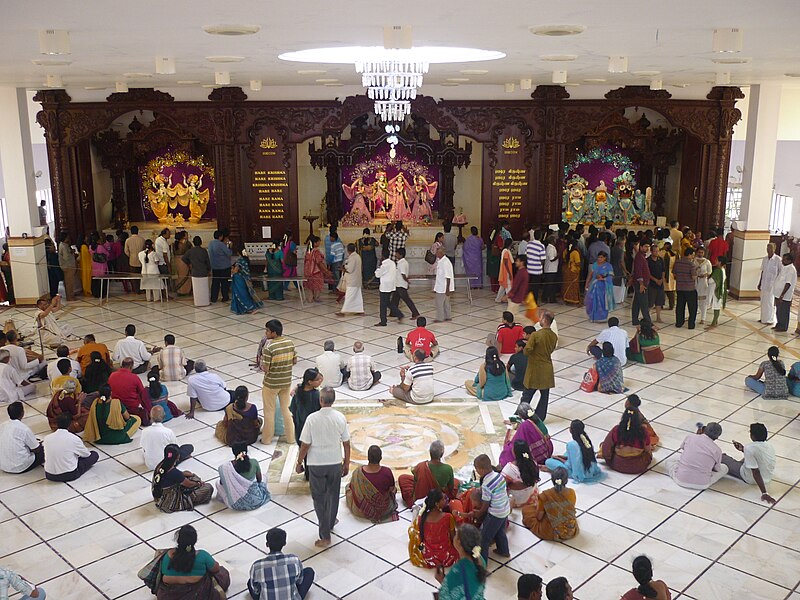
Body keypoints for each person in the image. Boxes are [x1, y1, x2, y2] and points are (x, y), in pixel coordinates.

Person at [295, 387, 351, 547]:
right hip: (334, 463)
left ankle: (325, 535)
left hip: (316, 464)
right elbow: (346, 443)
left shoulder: (312, 419)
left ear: (321, 400)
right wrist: (346, 462)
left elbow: (305, 444)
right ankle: (331, 521)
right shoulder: (340, 417)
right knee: (333, 495)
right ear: (333, 400)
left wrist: (299, 462)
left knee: (319, 499)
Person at [156, 525, 229, 599]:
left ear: (178, 540)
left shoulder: (167, 556)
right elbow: (216, 569)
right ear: (194, 540)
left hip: (168, 597)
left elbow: (162, 573)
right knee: (223, 573)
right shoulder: (202, 555)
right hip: (198, 595)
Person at [248, 527, 315, 600]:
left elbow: (255, 590)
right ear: (284, 543)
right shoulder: (294, 560)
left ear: (267, 544)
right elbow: (299, 581)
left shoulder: (257, 566)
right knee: (309, 572)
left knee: (250, 582)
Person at [466, 453, 510, 561]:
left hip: (495, 513)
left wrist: (479, 513)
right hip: (505, 509)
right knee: (500, 532)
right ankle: (504, 551)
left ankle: (483, 565)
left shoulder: (486, 484)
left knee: (483, 539)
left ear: (481, 469)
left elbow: (485, 504)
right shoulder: (499, 476)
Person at [721, 422, 777, 504]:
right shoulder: (770, 446)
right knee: (747, 458)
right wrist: (743, 449)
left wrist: (764, 493)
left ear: (752, 436)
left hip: (750, 478)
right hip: (767, 477)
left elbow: (756, 472)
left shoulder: (749, 448)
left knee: (722, 457)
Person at [261, 319, 297, 443]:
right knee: (286, 410)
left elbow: (266, 368)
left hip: (271, 384)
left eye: (267, 331)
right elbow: (294, 361)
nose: (266, 333)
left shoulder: (269, 347)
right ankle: (291, 438)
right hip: (286, 382)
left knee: (269, 411)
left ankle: (267, 439)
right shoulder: (290, 342)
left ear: (274, 333)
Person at [521, 466, 578, 542]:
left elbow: (539, 517)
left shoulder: (545, 495)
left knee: (526, 510)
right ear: (566, 480)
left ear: (552, 480)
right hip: (571, 529)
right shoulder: (571, 492)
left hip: (552, 532)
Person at [152, 444, 214, 512]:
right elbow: (189, 484)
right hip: (168, 502)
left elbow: (177, 475)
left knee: (187, 473)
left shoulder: (161, 464)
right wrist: (198, 484)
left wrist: (187, 474)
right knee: (208, 487)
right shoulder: (174, 472)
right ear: (178, 456)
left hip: (158, 495)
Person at [346, 444, 398, 523]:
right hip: (383, 509)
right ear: (380, 458)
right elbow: (392, 489)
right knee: (394, 490)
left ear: (368, 458)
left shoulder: (358, 472)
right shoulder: (387, 472)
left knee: (348, 488)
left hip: (361, 511)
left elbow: (352, 488)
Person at [667, 422, 727, 490]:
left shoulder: (690, 437)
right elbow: (717, 469)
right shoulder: (717, 450)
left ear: (704, 429)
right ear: (717, 437)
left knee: (670, 461)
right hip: (702, 485)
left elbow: (682, 447)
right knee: (724, 468)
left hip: (680, 480)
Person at [434, 524, 487, 600]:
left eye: (455, 534)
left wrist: (442, 580)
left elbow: (445, 597)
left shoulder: (458, 570)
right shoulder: (480, 559)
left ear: (459, 542)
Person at [408, 489, 459, 569]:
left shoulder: (421, 518)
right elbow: (453, 537)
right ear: (436, 503)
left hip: (427, 555)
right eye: (443, 499)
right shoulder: (448, 517)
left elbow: (419, 535)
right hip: (445, 554)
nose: (446, 500)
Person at [398, 439, 458, 507]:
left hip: (420, 498)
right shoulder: (448, 468)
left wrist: (414, 495)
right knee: (456, 482)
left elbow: (415, 484)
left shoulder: (420, 466)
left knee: (402, 478)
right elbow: (451, 488)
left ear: (430, 452)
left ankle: (414, 502)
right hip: (437, 500)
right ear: (442, 453)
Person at [522, 310, 557, 421]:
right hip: (547, 368)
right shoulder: (553, 336)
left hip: (535, 369)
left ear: (544, 320)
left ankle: (520, 414)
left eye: (541, 318)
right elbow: (550, 349)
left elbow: (527, 351)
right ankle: (540, 417)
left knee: (527, 394)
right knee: (544, 395)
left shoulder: (536, 335)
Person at [43, 413, 99, 482]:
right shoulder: (73, 438)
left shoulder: (47, 438)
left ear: (57, 424)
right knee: (94, 455)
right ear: (70, 425)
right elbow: (86, 455)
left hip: (49, 475)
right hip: (69, 474)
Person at [545, 419, 604, 483]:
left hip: (578, 473)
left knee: (548, 461)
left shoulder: (571, 445)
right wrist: (562, 457)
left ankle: (552, 470)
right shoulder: (586, 440)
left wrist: (559, 459)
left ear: (571, 430)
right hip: (590, 470)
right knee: (566, 453)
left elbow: (570, 466)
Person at [216, 442, 270, 511]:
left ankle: (227, 497)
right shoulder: (254, 462)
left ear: (233, 452)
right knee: (264, 477)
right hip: (256, 500)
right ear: (246, 450)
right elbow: (259, 480)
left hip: (236, 504)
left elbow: (222, 483)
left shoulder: (227, 467)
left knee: (217, 483)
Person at [289, 368, 323, 477]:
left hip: (300, 427)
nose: (320, 381)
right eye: (317, 380)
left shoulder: (298, 392)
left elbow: (293, 409)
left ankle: (308, 474)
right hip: (313, 428)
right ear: (310, 381)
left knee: (305, 450)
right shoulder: (316, 395)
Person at [600, 405, 653, 474]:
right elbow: (647, 450)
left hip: (617, 464)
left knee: (602, 444)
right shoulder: (643, 431)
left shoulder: (616, 430)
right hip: (638, 466)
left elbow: (606, 450)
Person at [141, 405, 192, 470]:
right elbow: (176, 449)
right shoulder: (168, 432)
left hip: (149, 464)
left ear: (150, 416)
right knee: (189, 447)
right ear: (164, 416)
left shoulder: (144, 431)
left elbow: (144, 448)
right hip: (166, 465)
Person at [0, 401, 44, 474]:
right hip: (19, 466)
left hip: (3, 465)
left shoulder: (2, 425)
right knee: (42, 450)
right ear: (22, 413)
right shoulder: (24, 429)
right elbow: (36, 449)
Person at [108, 357, 152, 425]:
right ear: (131, 367)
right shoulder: (134, 377)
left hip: (116, 406)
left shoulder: (112, 375)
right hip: (131, 407)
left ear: (121, 365)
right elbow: (142, 393)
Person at [500, 440, 540, 508]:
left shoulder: (509, 469)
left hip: (518, 500)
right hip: (531, 495)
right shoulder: (533, 463)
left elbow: (501, 487)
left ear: (515, 452)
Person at [584, 251, 615, 322]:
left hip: (604, 287)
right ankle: (593, 316)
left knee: (602, 301)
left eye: (601, 257)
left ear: (605, 258)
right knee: (592, 300)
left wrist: (603, 278)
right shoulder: (595, 265)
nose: (599, 259)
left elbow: (611, 276)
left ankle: (602, 317)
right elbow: (590, 275)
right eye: (598, 257)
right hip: (594, 286)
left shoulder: (608, 266)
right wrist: (587, 283)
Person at [673, 247, 699, 329]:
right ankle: (691, 324)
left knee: (680, 306)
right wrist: (697, 272)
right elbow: (694, 277)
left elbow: (674, 274)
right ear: (689, 254)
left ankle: (679, 322)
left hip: (680, 288)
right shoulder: (691, 264)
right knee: (692, 307)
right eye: (693, 255)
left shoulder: (677, 262)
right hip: (690, 289)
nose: (693, 257)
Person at [182, 236, 211, 307]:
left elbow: (183, 258)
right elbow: (207, 262)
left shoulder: (190, 251)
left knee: (197, 289)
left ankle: (198, 302)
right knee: (204, 288)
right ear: (201, 242)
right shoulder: (204, 251)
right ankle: (205, 302)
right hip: (203, 272)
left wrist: (189, 264)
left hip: (195, 272)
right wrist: (209, 270)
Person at [392, 247, 420, 318]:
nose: (395, 255)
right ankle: (393, 313)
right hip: (398, 284)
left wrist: (407, 281)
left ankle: (415, 313)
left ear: (401, 255)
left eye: (397, 254)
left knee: (407, 300)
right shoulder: (401, 262)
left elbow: (403, 274)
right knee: (394, 300)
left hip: (401, 285)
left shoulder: (402, 263)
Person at [374, 248, 399, 326]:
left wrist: (378, 267)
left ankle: (383, 321)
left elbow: (377, 275)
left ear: (382, 256)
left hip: (384, 287)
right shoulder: (392, 263)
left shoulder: (384, 265)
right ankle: (399, 314)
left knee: (383, 305)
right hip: (391, 286)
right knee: (387, 302)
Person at [757, 243, 781, 325]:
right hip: (764, 283)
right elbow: (763, 271)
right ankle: (763, 318)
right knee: (763, 301)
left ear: (774, 249)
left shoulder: (778, 260)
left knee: (770, 302)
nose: (768, 250)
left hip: (772, 285)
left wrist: (777, 285)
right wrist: (759, 283)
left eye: (770, 248)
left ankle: (769, 319)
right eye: (767, 248)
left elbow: (780, 273)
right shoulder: (765, 259)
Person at [338, 243, 364, 315]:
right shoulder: (358, 256)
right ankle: (359, 310)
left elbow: (350, 269)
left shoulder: (352, 258)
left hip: (352, 281)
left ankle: (343, 311)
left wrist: (343, 268)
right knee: (357, 297)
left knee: (349, 296)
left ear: (348, 250)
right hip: (357, 280)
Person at [773, 252, 797, 332]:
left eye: (784, 260)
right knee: (778, 310)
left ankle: (783, 326)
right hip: (778, 293)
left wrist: (782, 295)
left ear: (789, 260)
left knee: (783, 311)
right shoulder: (785, 267)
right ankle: (779, 324)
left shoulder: (791, 270)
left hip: (784, 296)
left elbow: (788, 283)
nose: (782, 261)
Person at [208, 229, 233, 303]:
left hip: (214, 266)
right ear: (221, 236)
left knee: (215, 282)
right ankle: (225, 297)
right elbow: (229, 253)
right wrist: (230, 247)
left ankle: (213, 298)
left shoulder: (210, 243)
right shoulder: (221, 244)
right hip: (224, 266)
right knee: (224, 282)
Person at [304, 235, 329, 303]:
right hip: (316, 271)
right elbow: (319, 262)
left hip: (308, 271)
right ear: (315, 243)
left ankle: (310, 298)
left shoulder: (308, 251)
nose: (319, 243)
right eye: (318, 242)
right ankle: (316, 297)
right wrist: (326, 271)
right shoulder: (316, 251)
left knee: (310, 285)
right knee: (317, 285)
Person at [631, 241, 651, 326]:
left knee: (637, 302)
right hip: (641, 283)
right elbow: (638, 271)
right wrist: (641, 284)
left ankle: (635, 320)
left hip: (642, 282)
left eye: (648, 247)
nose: (647, 248)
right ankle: (648, 322)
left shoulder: (642, 256)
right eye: (645, 246)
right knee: (644, 303)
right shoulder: (639, 257)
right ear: (641, 247)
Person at [506, 254, 530, 322]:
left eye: (517, 261)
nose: (516, 262)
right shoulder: (524, 272)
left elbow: (515, 286)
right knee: (514, 315)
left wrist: (508, 295)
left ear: (522, 262)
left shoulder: (521, 273)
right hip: (519, 297)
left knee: (511, 315)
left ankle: (530, 323)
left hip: (516, 297)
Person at [434, 245, 455, 322]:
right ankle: (448, 316)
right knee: (446, 303)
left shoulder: (445, 262)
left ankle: (440, 318)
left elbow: (448, 277)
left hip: (443, 288)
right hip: (441, 286)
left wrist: (447, 289)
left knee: (439, 303)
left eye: (437, 252)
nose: (436, 254)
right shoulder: (441, 261)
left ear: (442, 253)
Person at [706, 256, 727, 329]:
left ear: (720, 262)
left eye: (717, 260)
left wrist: (707, 277)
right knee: (716, 306)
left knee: (716, 306)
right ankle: (715, 321)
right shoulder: (722, 269)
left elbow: (711, 281)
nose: (715, 261)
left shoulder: (718, 271)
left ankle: (714, 323)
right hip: (720, 290)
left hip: (716, 290)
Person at [693, 246, 712, 325]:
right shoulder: (693, 261)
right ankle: (693, 316)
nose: (700, 254)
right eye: (699, 252)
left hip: (704, 283)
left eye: (702, 252)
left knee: (703, 301)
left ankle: (703, 318)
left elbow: (710, 272)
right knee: (694, 300)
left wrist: (705, 275)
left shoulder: (707, 262)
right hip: (695, 282)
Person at [124, 225, 145, 293]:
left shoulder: (128, 240)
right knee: (141, 275)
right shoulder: (142, 239)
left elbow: (126, 251)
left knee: (133, 276)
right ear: (138, 231)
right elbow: (144, 250)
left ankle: (136, 290)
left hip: (132, 261)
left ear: (131, 232)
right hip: (141, 261)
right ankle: (142, 288)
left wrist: (131, 256)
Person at [647, 245, 665, 323]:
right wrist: (655, 280)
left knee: (659, 301)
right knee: (650, 301)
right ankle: (647, 317)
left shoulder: (660, 260)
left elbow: (663, 270)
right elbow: (647, 273)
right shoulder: (648, 261)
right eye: (655, 251)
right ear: (651, 251)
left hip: (660, 284)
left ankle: (658, 317)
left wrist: (662, 279)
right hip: (652, 284)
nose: (657, 253)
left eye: (658, 251)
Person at [526, 230, 546, 302]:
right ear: (541, 236)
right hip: (537, 270)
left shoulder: (529, 244)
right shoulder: (541, 246)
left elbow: (527, 255)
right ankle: (534, 302)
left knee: (530, 286)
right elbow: (542, 259)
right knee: (536, 287)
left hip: (529, 268)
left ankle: (528, 300)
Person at [57, 232, 78, 300]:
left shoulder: (63, 245)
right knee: (69, 282)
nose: (68, 238)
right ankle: (70, 296)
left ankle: (71, 295)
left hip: (68, 266)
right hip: (68, 266)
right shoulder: (64, 246)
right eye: (67, 237)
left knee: (69, 282)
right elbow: (66, 257)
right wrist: (72, 252)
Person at [172, 230, 192, 296]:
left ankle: (179, 291)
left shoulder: (174, 244)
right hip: (184, 261)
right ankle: (186, 291)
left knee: (179, 277)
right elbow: (190, 252)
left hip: (176, 261)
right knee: (186, 276)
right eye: (186, 235)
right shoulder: (186, 243)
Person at [562, 237, 582, 306]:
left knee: (567, 285)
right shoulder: (575, 252)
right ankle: (574, 301)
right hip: (573, 271)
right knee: (574, 286)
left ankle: (566, 300)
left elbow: (564, 259)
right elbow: (578, 262)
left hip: (567, 270)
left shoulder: (565, 251)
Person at [496, 238, 514, 302]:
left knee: (503, 286)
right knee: (508, 286)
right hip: (507, 271)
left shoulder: (505, 250)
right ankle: (510, 300)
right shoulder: (506, 251)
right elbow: (506, 263)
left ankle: (498, 299)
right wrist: (509, 273)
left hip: (506, 271)